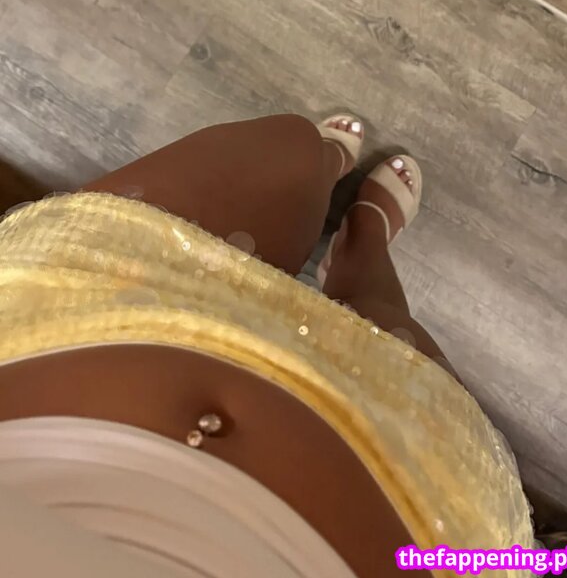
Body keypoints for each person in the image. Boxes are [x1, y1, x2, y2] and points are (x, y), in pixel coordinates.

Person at [0, 113, 532, 578]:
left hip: (79, 314)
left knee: (289, 148)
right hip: (407, 484)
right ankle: (363, 242)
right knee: (384, 320)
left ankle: (326, 167)